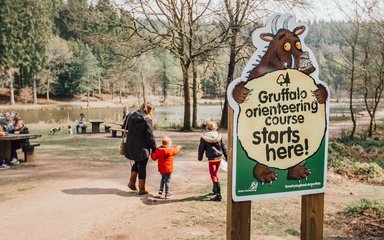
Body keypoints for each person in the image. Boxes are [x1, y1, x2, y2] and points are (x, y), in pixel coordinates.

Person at [124, 102, 157, 195]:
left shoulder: (130, 115)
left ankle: (131, 183)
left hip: (131, 145)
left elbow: (124, 127)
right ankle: (142, 189)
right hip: (142, 148)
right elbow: (150, 136)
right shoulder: (147, 120)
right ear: (149, 110)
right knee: (142, 166)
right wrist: (154, 148)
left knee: (137, 162)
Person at [198, 121, 228, 202]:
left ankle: (218, 195)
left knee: (213, 175)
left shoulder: (204, 137)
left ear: (207, 127)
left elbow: (201, 148)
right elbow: (224, 147)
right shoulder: (219, 136)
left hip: (212, 159)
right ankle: (215, 189)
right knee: (215, 174)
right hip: (219, 158)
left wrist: (200, 157)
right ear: (215, 127)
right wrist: (227, 158)